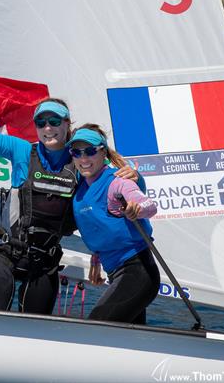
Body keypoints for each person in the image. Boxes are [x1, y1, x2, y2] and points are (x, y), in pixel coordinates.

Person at [0, 71, 141, 314]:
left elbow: (113, 194)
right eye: (41, 122)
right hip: (5, 256)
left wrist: (137, 179)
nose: (48, 128)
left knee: (34, 336)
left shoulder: (80, 161)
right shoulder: (22, 151)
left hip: (44, 265)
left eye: (55, 121)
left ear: (67, 124)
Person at [67, 124, 160, 325]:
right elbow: (102, 226)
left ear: (103, 153)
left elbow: (149, 205)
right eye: (76, 152)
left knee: (97, 329)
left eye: (90, 151)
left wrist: (137, 208)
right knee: (130, 342)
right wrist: (96, 259)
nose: (83, 159)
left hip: (138, 272)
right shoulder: (82, 185)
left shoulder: (117, 181)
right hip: (116, 272)